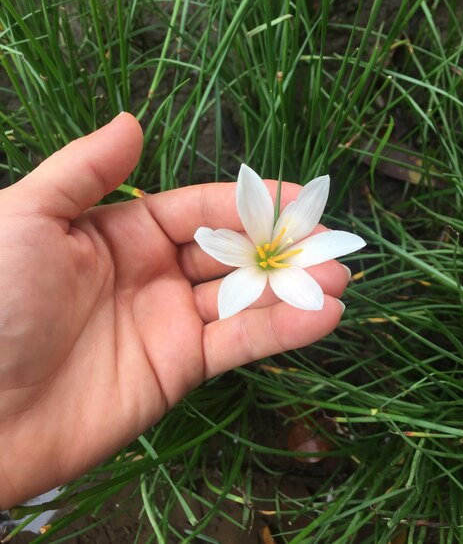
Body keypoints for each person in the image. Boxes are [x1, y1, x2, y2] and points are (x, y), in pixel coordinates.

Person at [0, 113, 350, 510]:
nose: (271, 253)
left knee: (318, 284)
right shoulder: (248, 259)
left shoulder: (281, 268)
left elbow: (309, 289)